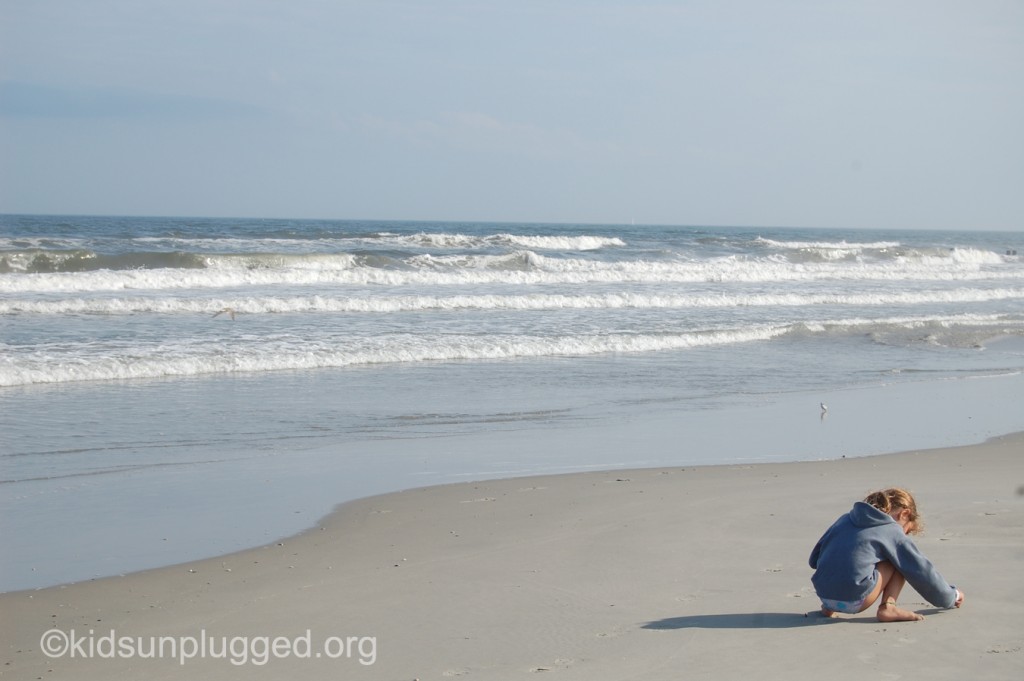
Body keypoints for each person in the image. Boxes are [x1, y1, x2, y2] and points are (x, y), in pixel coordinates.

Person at [808, 488, 964, 621]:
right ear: (904, 514)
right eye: (907, 530)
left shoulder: (844, 519)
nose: (904, 534)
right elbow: (922, 572)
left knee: (843, 554)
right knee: (898, 558)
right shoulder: (891, 530)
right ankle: (888, 607)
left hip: (825, 596)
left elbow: (814, 559)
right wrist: (951, 596)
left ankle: (827, 610)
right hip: (856, 600)